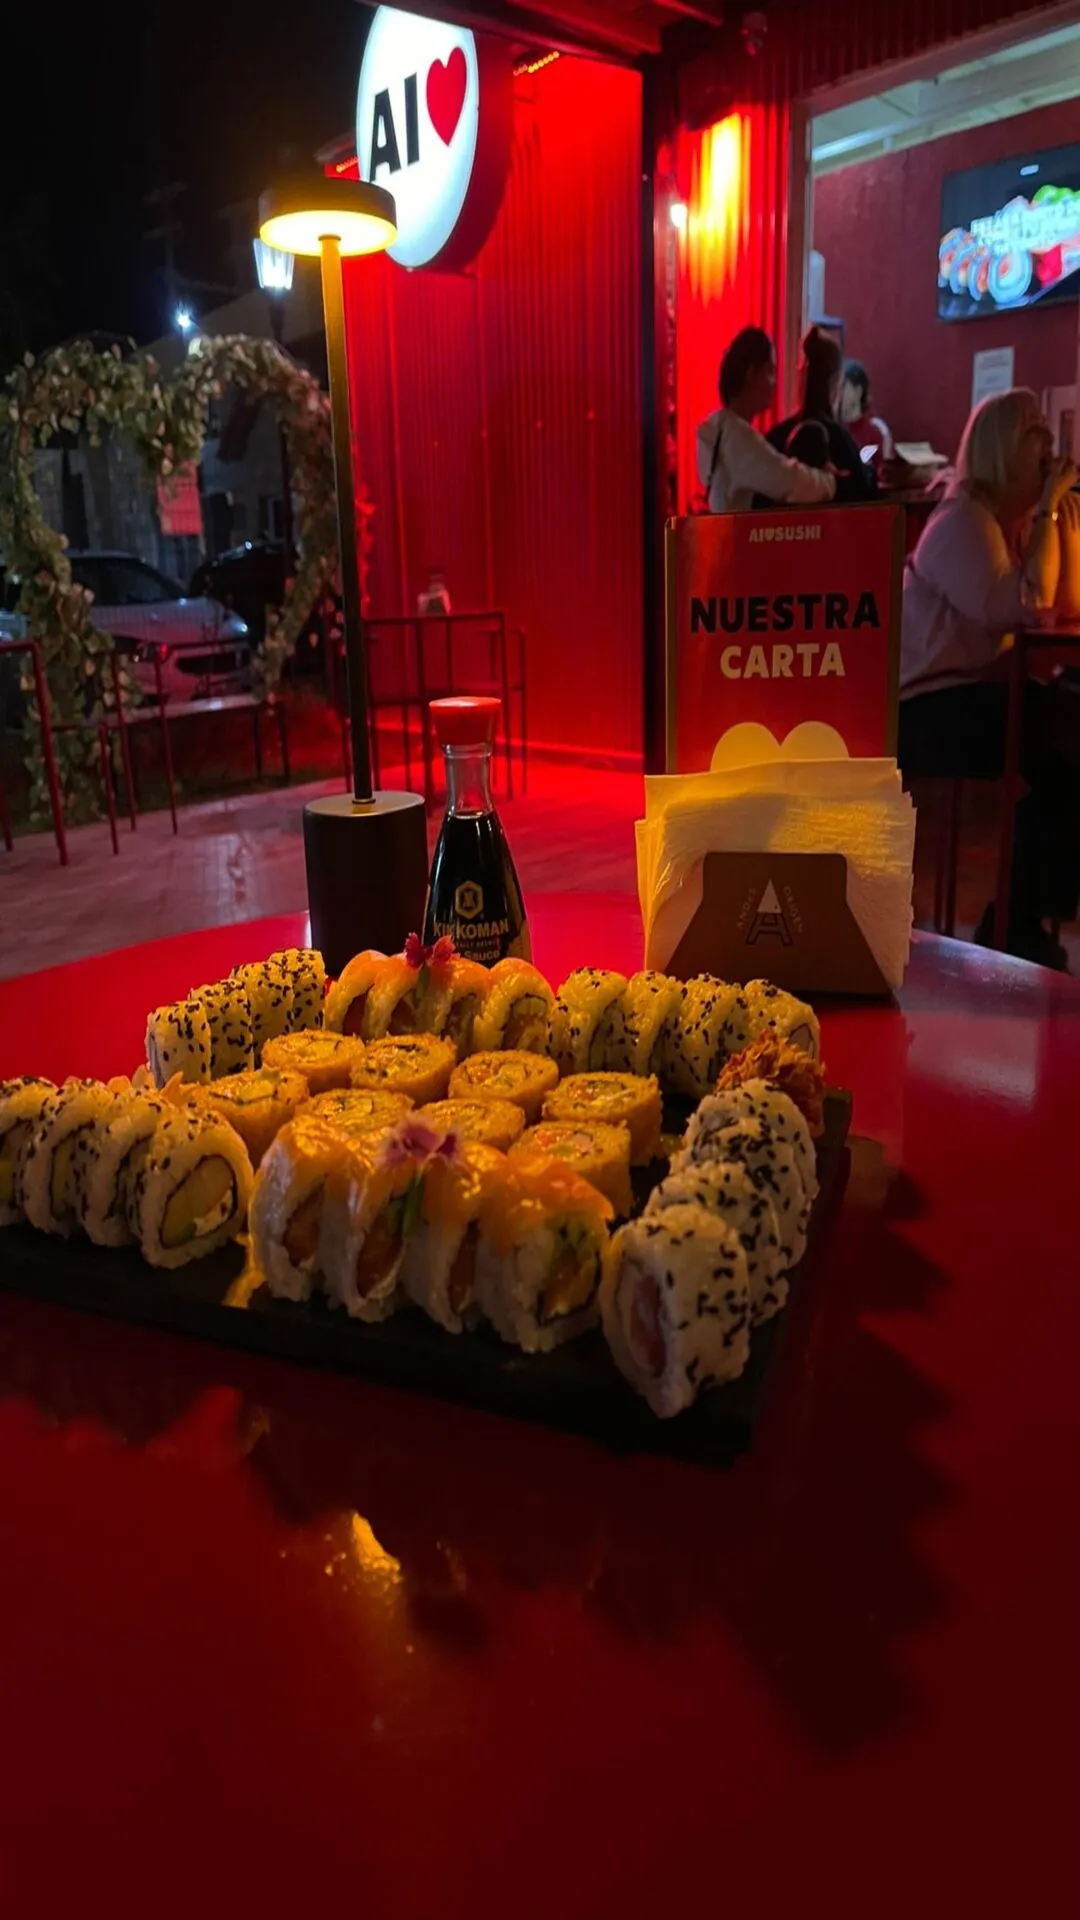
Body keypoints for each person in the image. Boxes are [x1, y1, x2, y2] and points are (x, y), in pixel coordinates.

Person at [899, 386, 1080, 968]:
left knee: (1066, 732)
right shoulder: (961, 522)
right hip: (919, 710)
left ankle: (1021, 917)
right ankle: (1015, 922)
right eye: (1034, 432)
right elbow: (1028, 607)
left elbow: (1064, 600)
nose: (1048, 443)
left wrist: (1059, 517)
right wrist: (1049, 510)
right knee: (1064, 737)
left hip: (959, 696)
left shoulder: (1003, 526)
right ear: (1002, 450)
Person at [695, 325, 836, 513]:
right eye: (771, 371)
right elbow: (788, 481)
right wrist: (829, 481)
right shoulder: (738, 438)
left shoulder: (718, 426)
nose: (775, 382)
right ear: (751, 374)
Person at [768, 326, 876, 503]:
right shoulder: (841, 442)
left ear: (800, 375)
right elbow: (867, 494)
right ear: (836, 383)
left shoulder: (773, 440)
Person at [839, 360, 894, 474]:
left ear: (858, 391)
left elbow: (884, 472)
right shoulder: (832, 428)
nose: (838, 393)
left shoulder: (875, 429)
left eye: (843, 387)